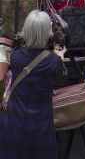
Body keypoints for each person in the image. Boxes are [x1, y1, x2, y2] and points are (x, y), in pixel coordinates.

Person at [0, 9, 67, 159]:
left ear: (26, 31)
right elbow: (62, 78)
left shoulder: (15, 55)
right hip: (40, 128)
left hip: (12, 125)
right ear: (48, 33)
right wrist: (60, 56)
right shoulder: (53, 61)